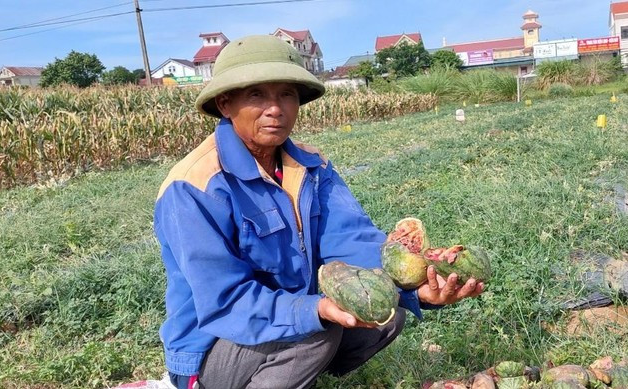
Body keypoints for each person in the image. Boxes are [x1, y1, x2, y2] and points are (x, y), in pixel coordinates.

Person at [154, 35, 484, 389]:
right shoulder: (194, 187)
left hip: (283, 323)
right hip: (210, 348)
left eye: (287, 94)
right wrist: (314, 312)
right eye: (256, 95)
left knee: (386, 313)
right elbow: (225, 302)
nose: (276, 108)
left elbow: (350, 240)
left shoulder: (312, 167)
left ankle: (296, 370)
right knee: (317, 333)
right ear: (224, 103)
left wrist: (414, 291)